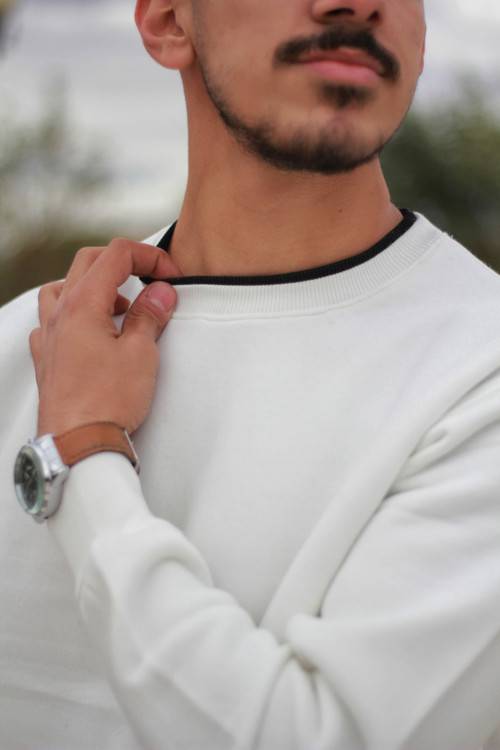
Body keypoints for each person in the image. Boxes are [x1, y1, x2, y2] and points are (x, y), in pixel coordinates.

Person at [1, 0, 500, 748]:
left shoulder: (480, 374)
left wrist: (80, 451)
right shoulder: (21, 344)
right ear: (169, 22)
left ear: (422, 38)